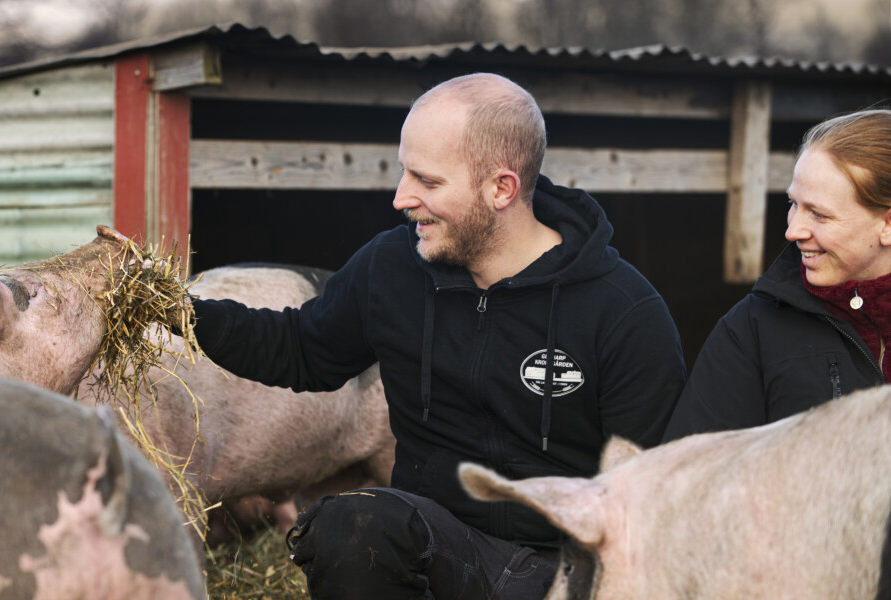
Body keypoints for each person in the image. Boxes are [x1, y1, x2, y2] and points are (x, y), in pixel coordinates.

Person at [189, 73, 686, 599]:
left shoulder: (623, 311)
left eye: (427, 181)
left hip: (568, 572)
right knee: (353, 524)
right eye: (404, 172)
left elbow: (651, 493)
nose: (401, 198)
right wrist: (179, 312)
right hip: (441, 550)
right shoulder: (392, 267)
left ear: (501, 189)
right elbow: (300, 349)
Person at [664, 109, 891, 442]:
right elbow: (692, 467)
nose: (793, 230)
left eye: (819, 214)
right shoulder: (751, 328)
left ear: (887, 224)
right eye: (794, 204)